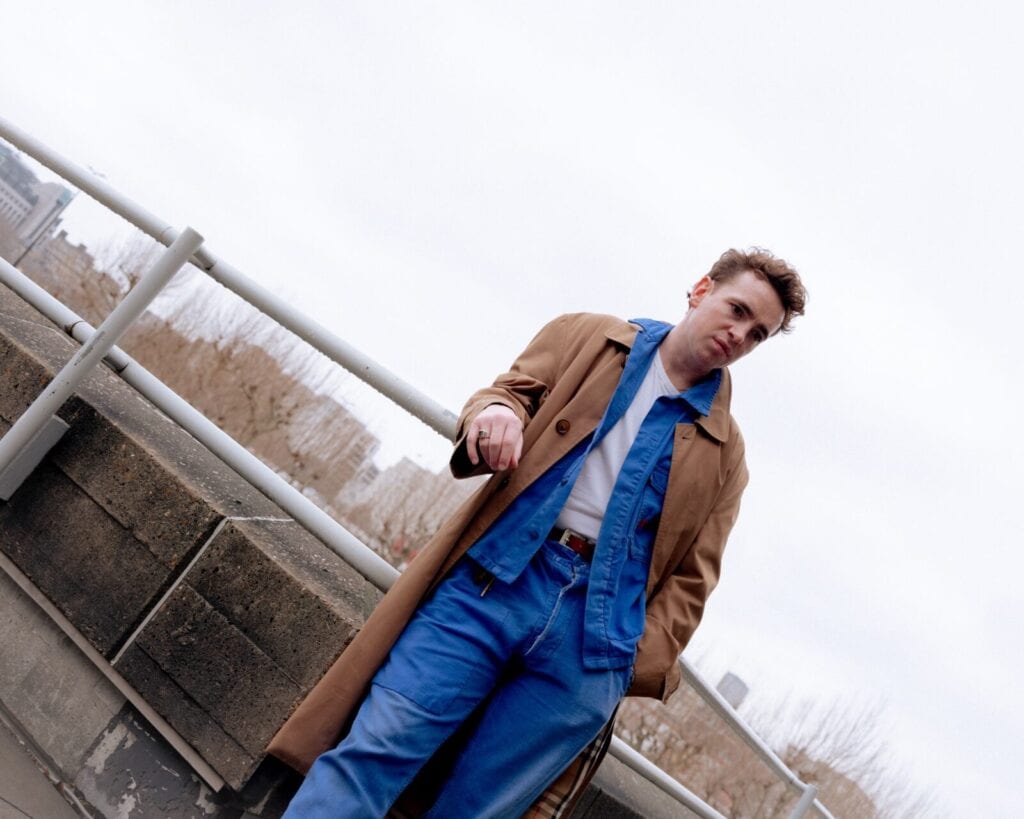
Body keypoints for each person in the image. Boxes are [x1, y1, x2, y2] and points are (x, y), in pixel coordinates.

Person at [271, 248, 807, 817]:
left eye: (757, 335)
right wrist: (494, 415)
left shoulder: (727, 451)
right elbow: (508, 392)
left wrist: (630, 660)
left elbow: (694, 578)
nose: (739, 335)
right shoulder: (588, 338)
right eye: (737, 310)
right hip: (490, 584)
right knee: (375, 753)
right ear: (701, 289)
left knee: (477, 812)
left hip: (592, 643)